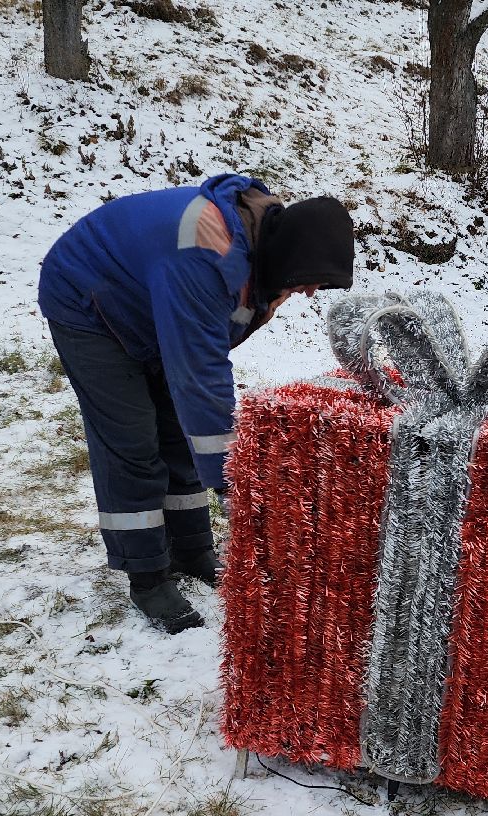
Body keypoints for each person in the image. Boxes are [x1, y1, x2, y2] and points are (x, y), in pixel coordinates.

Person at [38, 174, 355, 633]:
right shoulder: (204, 253)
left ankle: (191, 549)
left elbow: (205, 356)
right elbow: (201, 377)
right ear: (290, 258)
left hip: (153, 306)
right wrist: (235, 483)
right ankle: (146, 575)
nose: (307, 293)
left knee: (179, 432)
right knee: (131, 439)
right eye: (309, 282)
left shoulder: (264, 262)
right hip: (88, 300)